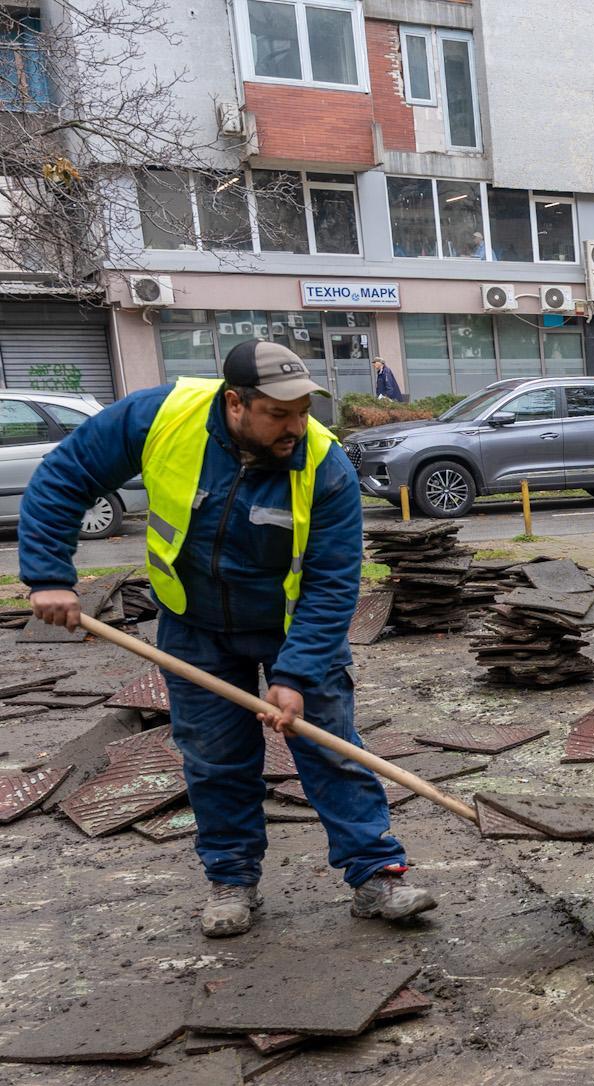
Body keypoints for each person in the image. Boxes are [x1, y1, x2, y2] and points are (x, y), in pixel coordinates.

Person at [18, 341, 437, 938]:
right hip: (193, 625)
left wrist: (295, 676)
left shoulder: (325, 466)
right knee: (215, 758)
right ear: (235, 403)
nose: (297, 426)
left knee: (332, 747)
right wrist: (50, 575)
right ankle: (232, 878)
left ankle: (377, 876)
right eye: (279, 414)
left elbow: (332, 583)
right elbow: (66, 475)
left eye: (303, 411)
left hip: (291, 626)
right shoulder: (160, 417)